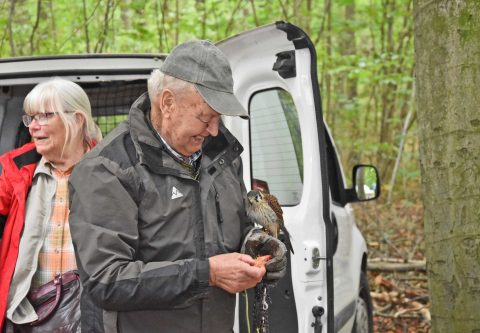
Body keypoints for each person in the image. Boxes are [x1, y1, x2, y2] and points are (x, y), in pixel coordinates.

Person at [68, 40, 287, 333]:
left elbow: (230, 230)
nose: (213, 130)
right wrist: (206, 273)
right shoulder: (108, 168)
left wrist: (255, 246)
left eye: (218, 119)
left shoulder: (222, 159)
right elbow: (106, 279)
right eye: (206, 117)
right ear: (168, 102)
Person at [0, 78, 102, 332]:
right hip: (28, 316)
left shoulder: (111, 170)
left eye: (44, 116)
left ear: (77, 119)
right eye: (30, 118)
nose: (33, 127)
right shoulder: (16, 169)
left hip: (92, 316)